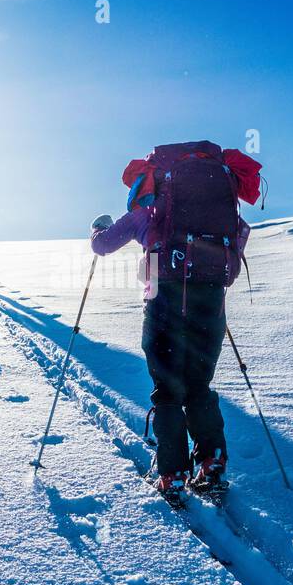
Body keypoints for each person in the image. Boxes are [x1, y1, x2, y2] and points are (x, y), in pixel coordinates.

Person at [89, 147, 252, 501]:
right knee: (199, 385)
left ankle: (172, 475)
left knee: (168, 391)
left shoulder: (148, 214)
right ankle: (212, 462)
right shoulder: (223, 214)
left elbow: (103, 246)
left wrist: (97, 230)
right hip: (210, 307)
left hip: (163, 306)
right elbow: (240, 235)